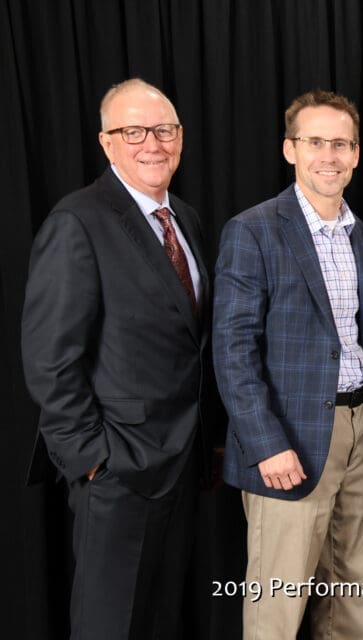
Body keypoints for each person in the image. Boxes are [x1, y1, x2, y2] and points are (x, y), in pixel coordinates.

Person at [21, 78, 212, 638]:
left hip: (180, 467)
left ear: (180, 138)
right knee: (110, 626)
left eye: (164, 130)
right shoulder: (78, 221)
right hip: (119, 472)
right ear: (107, 143)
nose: (152, 143)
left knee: (158, 623)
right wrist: (93, 461)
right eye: (134, 131)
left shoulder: (187, 221)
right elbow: (50, 360)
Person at [213, 89, 363, 639]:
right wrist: (265, 442)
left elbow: (357, 336)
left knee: (355, 589)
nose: (329, 155)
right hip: (290, 436)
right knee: (278, 603)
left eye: (341, 144)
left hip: (359, 427)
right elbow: (232, 346)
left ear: (357, 154)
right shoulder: (255, 229)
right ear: (289, 149)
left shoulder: (355, 231)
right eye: (315, 142)